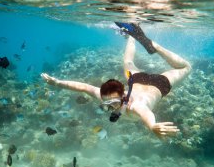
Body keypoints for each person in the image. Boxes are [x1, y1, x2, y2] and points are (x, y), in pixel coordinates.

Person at [41, 23, 191, 137]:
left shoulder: (135, 106)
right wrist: (57, 83)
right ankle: (132, 35)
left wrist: (152, 126)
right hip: (136, 80)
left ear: (124, 96)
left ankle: (155, 46)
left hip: (159, 84)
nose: (110, 108)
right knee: (127, 60)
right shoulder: (106, 97)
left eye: (113, 104)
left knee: (186, 67)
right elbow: (84, 87)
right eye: (106, 104)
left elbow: (146, 114)